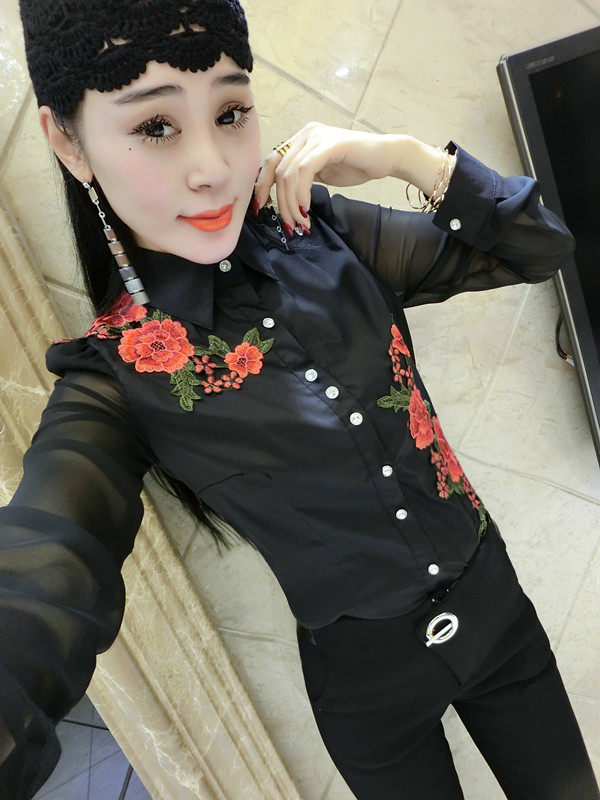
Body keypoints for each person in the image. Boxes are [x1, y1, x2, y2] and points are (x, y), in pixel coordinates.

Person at [1, 0, 597, 798]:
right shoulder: (117, 374)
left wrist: (399, 155)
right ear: (68, 141)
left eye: (230, 112)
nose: (212, 167)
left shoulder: (322, 232)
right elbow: (46, 561)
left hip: (500, 621)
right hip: (372, 695)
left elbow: (540, 247)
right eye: (156, 126)